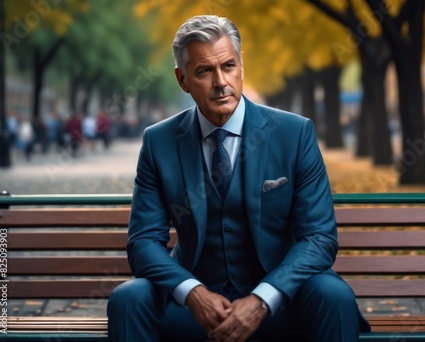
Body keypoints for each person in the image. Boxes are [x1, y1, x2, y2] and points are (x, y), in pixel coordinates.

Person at [107, 15, 370, 341]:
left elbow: (319, 238)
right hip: (193, 310)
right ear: (182, 79)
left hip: (281, 304)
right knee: (128, 298)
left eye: (228, 66)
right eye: (204, 71)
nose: (221, 82)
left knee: (334, 295)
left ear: (241, 66)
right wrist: (193, 294)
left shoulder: (294, 133)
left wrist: (263, 299)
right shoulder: (158, 142)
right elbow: (143, 242)